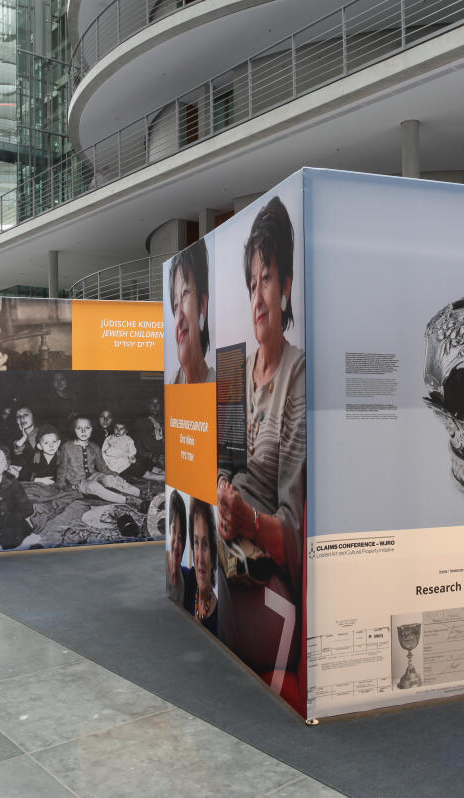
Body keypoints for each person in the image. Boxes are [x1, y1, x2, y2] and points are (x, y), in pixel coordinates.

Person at [216, 196, 306, 693]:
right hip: (225, 557)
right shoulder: (233, 373)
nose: (257, 298)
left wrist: (246, 519)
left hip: (266, 581)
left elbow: (293, 531)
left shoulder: (299, 376)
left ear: (286, 287)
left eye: (267, 280)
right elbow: (220, 468)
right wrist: (223, 495)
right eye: (252, 284)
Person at [57, 415, 141, 503]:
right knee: (93, 486)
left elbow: (102, 466)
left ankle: (139, 493)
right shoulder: (67, 447)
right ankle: (126, 500)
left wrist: (113, 475)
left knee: (110, 479)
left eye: (87, 428)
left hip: (93, 476)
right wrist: (62, 486)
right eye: (79, 428)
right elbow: (62, 468)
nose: (83, 431)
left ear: (92, 429)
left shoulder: (94, 446)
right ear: (74, 430)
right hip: (77, 482)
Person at [170, 239, 215, 384]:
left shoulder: (217, 385)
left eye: (184, 294)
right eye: (176, 305)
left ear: (202, 304)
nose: (179, 319)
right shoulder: (172, 383)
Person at [187, 499, 219, 635]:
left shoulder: (220, 620)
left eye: (205, 544)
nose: (199, 557)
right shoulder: (187, 585)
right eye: (196, 542)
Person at [167, 491, 194, 606]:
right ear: (168, 529)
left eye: (181, 537)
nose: (177, 544)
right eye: (174, 530)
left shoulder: (187, 581)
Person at [7, 407, 39, 479]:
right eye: (18, 417)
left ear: (34, 416)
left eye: (26, 415)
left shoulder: (44, 434)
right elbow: (17, 452)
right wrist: (24, 438)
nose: (21, 418)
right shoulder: (15, 438)